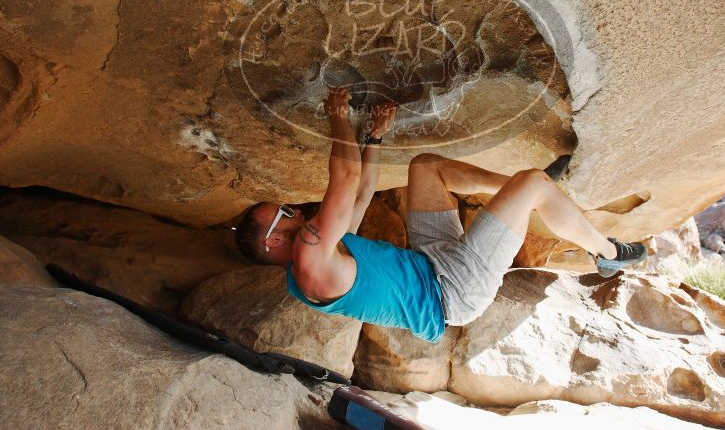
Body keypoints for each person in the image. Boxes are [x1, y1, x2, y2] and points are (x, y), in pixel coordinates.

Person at [235, 88, 647, 343]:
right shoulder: (310, 262)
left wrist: (374, 137)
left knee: (424, 166)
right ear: (272, 241)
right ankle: (608, 252)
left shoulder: (318, 252)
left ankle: (521, 187)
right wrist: (336, 119)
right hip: (453, 290)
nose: (294, 211)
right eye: (283, 213)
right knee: (535, 184)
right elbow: (345, 176)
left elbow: (361, 195)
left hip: (430, 259)